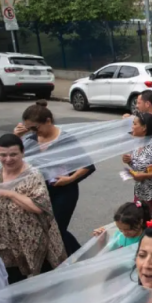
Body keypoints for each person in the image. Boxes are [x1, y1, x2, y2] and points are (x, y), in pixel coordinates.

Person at [13, 100, 95, 256]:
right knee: (45, 228)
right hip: (38, 191)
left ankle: (79, 257)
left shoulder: (65, 140)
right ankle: (76, 257)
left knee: (56, 229)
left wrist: (70, 179)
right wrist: (15, 137)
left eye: (36, 128)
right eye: (29, 129)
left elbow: (87, 165)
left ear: (48, 121)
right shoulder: (29, 140)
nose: (34, 132)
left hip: (63, 190)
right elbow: (12, 159)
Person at [0, 134, 66, 284]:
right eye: (3, 155)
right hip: (2, 240)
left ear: (22, 152)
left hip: (30, 240)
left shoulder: (33, 175)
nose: (8, 159)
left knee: (35, 282)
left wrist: (8, 192)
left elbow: (38, 207)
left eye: (13, 154)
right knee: (8, 279)